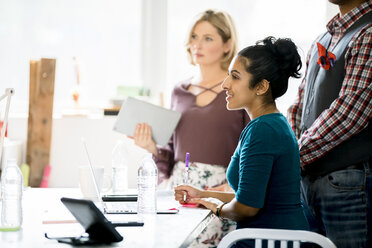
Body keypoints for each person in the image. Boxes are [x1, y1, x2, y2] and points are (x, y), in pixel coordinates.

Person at [175, 36, 309, 248]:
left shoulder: (263, 130)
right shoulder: (269, 124)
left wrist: (216, 208)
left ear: (261, 86)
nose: (225, 84)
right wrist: (202, 195)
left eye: (235, 77)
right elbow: (248, 196)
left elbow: (246, 207)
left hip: (272, 241)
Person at [133, 9, 249, 247]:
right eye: (194, 37)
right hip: (180, 189)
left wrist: (230, 186)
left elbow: (251, 147)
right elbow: (169, 152)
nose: (197, 44)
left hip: (220, 191)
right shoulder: (179, 90)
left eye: (208, 38)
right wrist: (151, 147)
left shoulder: (238, 91)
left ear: (227, 45)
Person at [287, 1, 371, 247]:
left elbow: (350, 113)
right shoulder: (322, 38)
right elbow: (298, 106)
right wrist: (292, 150)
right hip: (308, 182)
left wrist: (293, 157)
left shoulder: (368, 33)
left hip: (348, 182)